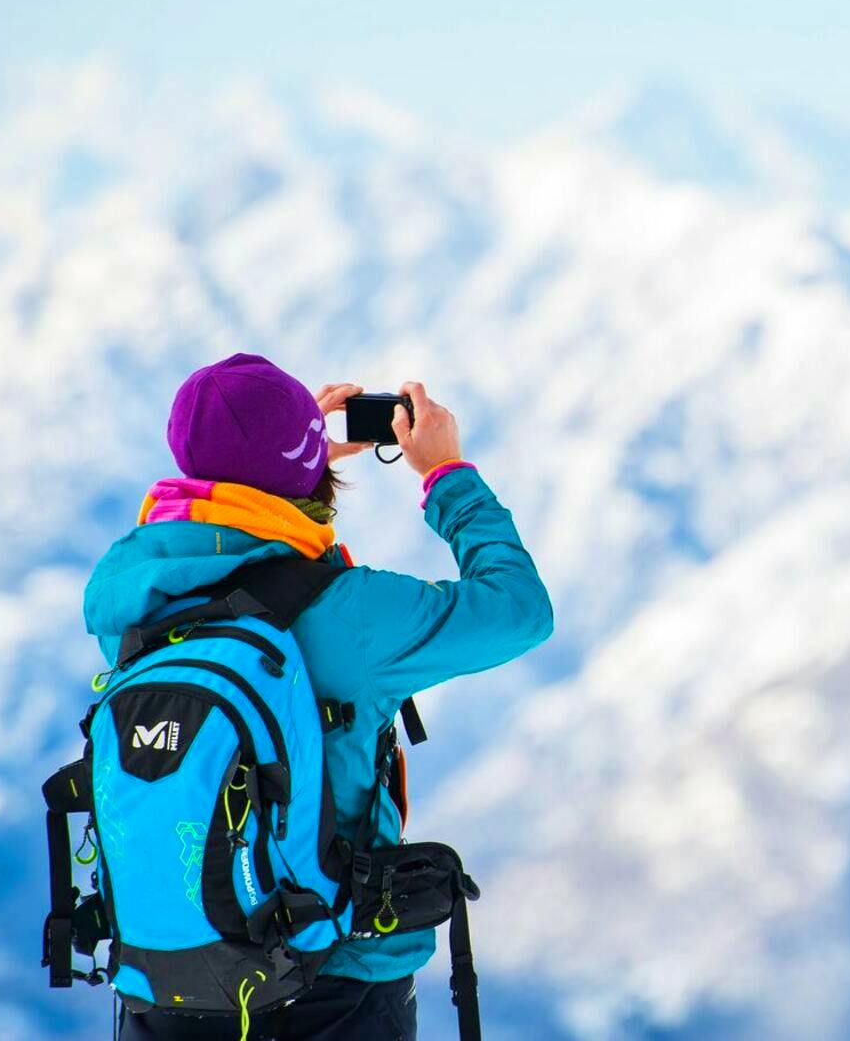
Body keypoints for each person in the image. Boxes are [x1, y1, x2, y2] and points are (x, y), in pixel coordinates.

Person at [82, 353, 553, 1039]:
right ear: (302, 466)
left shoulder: (128, 599)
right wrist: (447, 476)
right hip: (337, 985)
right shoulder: (350, 613)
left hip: (166, 992)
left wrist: (282, 462)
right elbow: (520, 610)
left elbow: (227, 547)